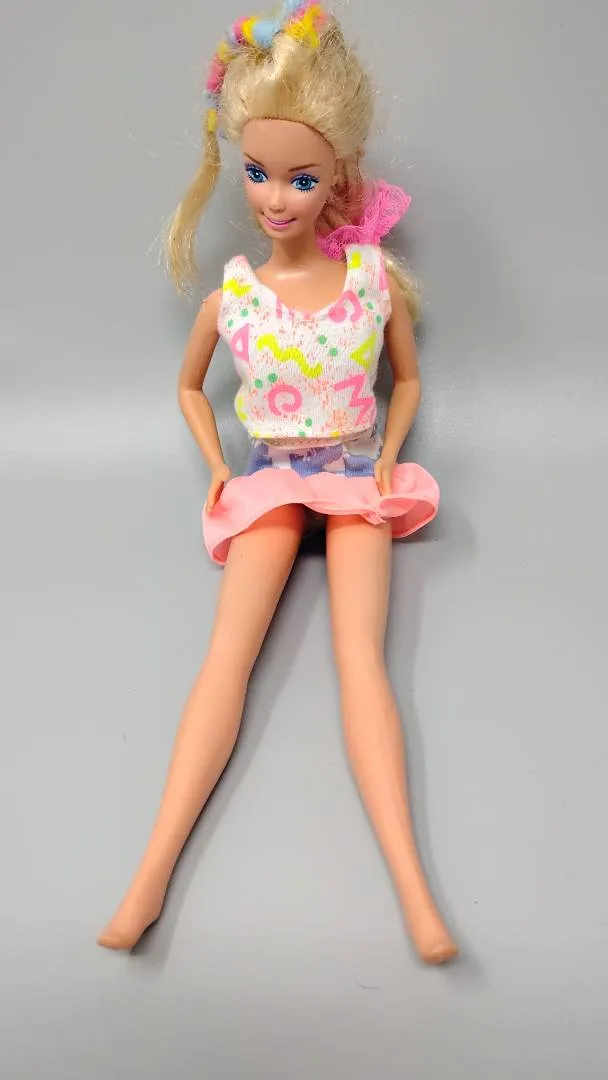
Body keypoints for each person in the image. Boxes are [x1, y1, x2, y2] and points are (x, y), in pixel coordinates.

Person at [98, 0, 458, 965]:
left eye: (301, 178)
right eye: (258, 172)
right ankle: (148, 877)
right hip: (270, 477)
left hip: (355, 476)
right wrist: (220, 465)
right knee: (226, 659)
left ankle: (415, 893)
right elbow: (188, 387)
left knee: (361, 663)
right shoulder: (235, 294)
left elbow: (407, 379)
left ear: (340, 173)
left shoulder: (373, 280)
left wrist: (389, 454)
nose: (276, 197)